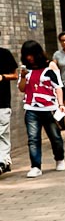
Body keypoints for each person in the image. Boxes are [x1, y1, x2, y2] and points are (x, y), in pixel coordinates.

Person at [18, 40, 65, 178]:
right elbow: (22, 89)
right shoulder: (25, 69)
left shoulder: (49, 66)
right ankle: (35, 166)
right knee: (33, 138)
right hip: (31, 107)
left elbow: (57, 86)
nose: (29, 58)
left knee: (55, 136)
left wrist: (60, 104)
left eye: (31, 55)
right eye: (26, 55)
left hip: (49, 107)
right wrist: (22, 77)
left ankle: (59, 158)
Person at [0, 40, 17, 175]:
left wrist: (2, 77)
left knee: (2, 132)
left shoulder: (4, 54)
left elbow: (15, 75)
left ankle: (3, 162)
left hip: (2, 102)